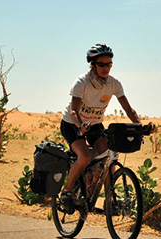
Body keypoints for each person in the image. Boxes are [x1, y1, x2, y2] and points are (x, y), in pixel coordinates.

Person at [59, 43, 151, 213]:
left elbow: (128, 109)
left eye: (109, 65)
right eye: (102, 64)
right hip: (72, 124)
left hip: (94, 124)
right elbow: (73, 110)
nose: (106, 68)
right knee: (85, 156)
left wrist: (140, 126)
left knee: (109, 154)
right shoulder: (82, 82)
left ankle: (109, 200)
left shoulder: (114, 84)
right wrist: (80, 125)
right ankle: (67, 192)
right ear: (93, 65)